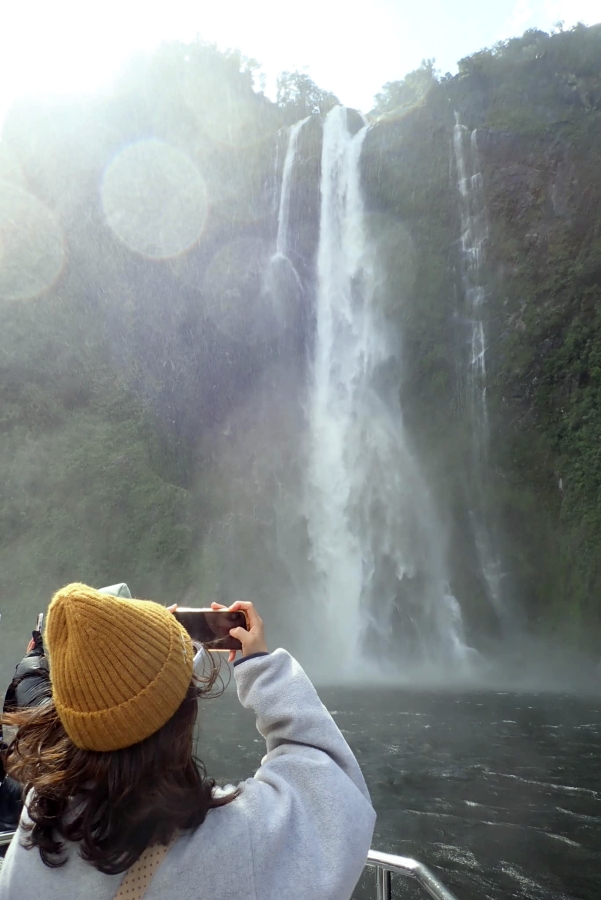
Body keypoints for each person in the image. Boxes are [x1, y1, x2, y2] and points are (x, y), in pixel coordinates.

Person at [0, 583, 376, 899]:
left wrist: (145, 647)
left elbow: (122, 706)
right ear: (184, 716)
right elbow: (334, 790)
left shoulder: (39, 827)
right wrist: (261, 667)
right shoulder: (234, 846)